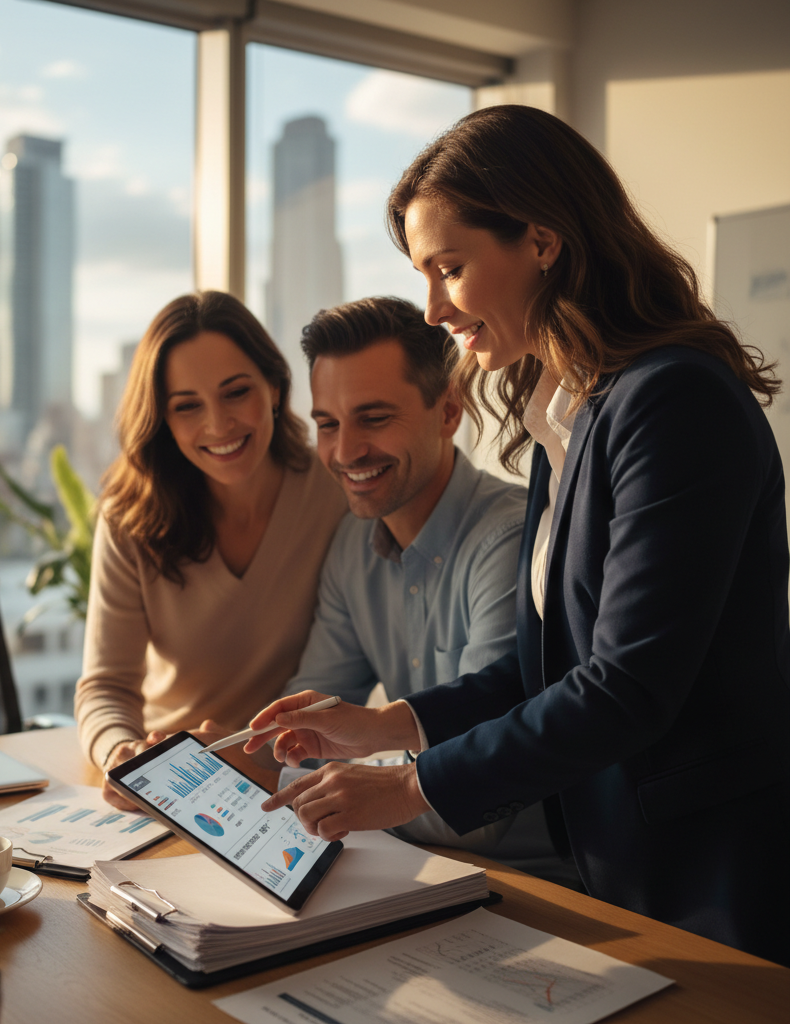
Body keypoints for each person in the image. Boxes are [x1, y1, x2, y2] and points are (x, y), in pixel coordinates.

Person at [245, 106, 790, 965]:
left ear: (542, 241)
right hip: (621, 860)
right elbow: (540, 671)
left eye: (449, 269)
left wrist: (412, 789)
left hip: (710, 870)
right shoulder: (565, 415)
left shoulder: (675, 402)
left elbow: (627, 687)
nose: (432, 308)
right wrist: (380, 727)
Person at [281, 296, 575, 882]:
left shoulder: (512, 540)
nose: (345, 451)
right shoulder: (352, 544)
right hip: (415, 872)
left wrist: (309, 782)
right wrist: (255, 755)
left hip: (542, 887)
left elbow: (476, 811)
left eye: (374, 417)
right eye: (327, 424)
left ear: (448, 412)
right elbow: (307, 730)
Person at [75, 291, 346, 808]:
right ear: (162, 419)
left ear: (273, 385)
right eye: (187, 406)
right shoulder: (130, 516)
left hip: (282, 778)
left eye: (235, 392)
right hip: (166, 783)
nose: (218, 425)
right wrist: (121, 754)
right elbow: (106, 686)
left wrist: (257, 764)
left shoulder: (333, 493)